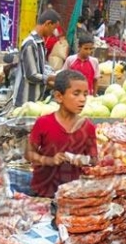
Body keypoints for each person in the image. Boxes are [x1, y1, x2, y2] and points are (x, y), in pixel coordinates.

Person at [25, 70, 98, 198]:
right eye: (76, 94)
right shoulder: (43, 123)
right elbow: (29, 154)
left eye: (85, 94)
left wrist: (80, 159)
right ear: (59, 97)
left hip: (73, 194)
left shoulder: (88, 127)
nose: (82, 99)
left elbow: (94, 160)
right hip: (44, 192)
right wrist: (49, 160)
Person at [12, 9, 59, 107]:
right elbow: (31, 75)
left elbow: (41, 68)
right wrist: (52, 78)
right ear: (48, 23)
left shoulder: (40, 43)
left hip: (35, 100)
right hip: (25, 101)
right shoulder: (30, 44)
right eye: (53, 28)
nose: (53, 32)